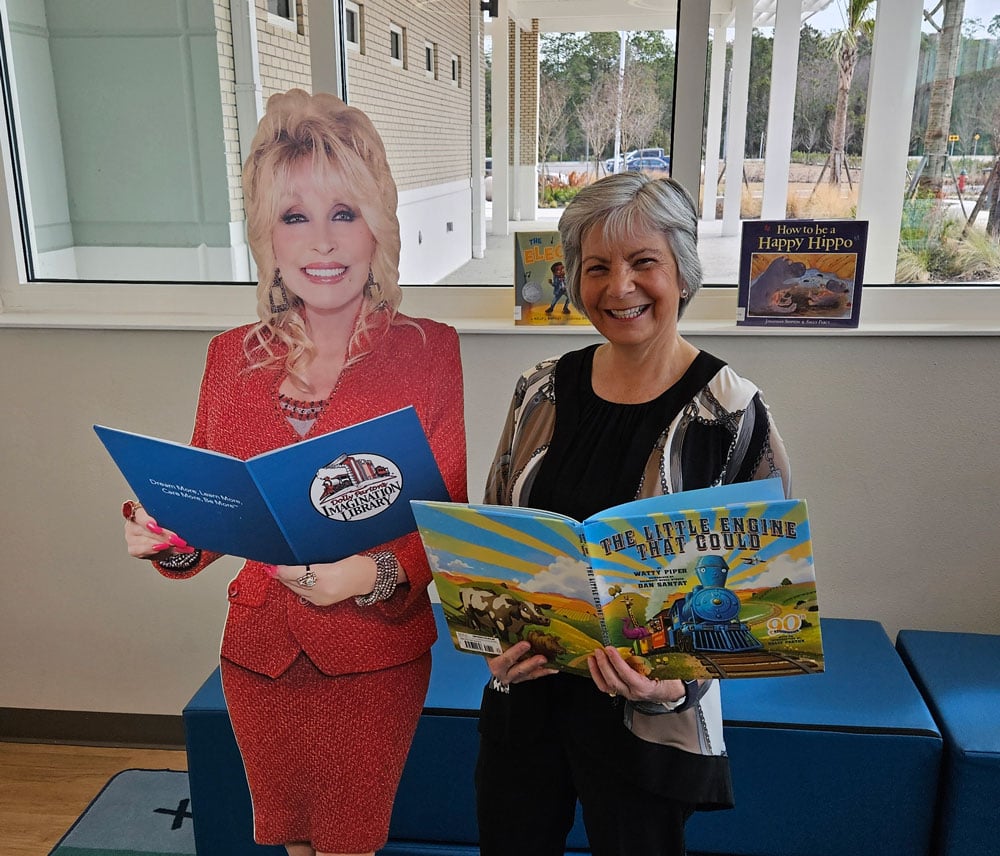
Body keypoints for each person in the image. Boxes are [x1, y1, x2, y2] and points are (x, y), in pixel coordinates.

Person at [121, 88, 467, 856]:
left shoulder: (428, 350)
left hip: (373, 655)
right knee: (291, 843)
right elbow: (208, 515)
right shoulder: (228, 359)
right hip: (258, 656)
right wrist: (163, 533)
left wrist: (369, 574)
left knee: (349, 842)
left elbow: (444, 524)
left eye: (344, 213)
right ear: (267, 237)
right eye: (294, 217)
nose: (323, 242)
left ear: (377, 225)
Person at [476, 171, 791, 856]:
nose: (619, 288)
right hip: (529, 700)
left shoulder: (730, 413)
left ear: (681, 271)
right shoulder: (540, 391)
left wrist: (676, 682)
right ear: (573, 280)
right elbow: (492, 532)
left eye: (643, 262)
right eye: (596, 268)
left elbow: (763, 597)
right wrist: (492, 640)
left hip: (649, 718)